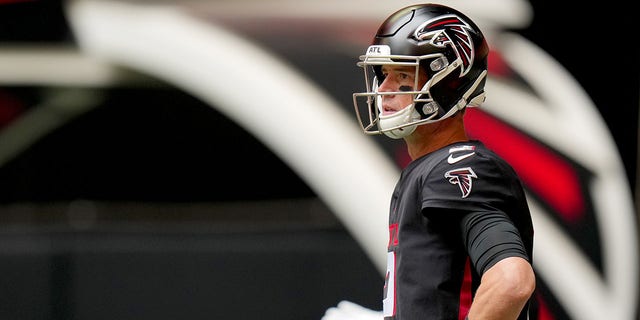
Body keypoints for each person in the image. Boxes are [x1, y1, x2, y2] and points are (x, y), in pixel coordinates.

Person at [325, 3, 536, 320]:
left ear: (449, 83)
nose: (383, 90)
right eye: (383, 74)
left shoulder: (458, 167)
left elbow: (511, 281)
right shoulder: (429, 169)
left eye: (402, 75)